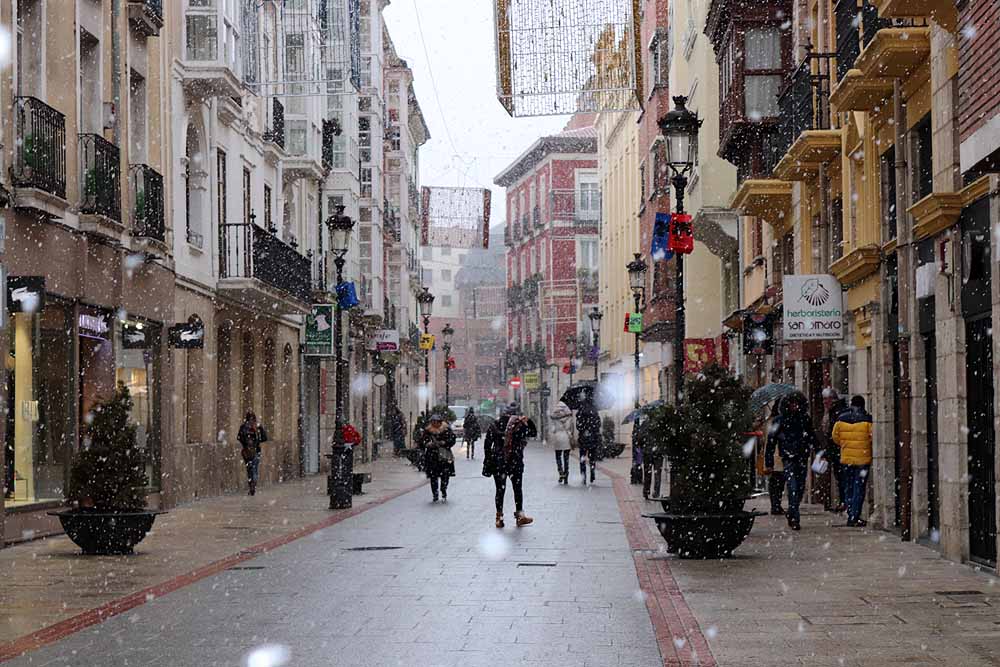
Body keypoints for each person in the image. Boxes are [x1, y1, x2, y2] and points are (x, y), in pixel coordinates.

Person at [765, 393, 817, 530]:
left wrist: (819, 452)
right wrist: (769, 463)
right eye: (792, 404)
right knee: (793, 487)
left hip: (802, 456)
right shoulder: (779, 421)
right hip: (788, 458)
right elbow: (770, 443)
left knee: (799, 488)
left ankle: (792, 510)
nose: (794, 406)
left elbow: (812, 436)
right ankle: (794, 518)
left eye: (796, 404)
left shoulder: (804, 419)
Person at [484, 403, 537, 527]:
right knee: (517, 489)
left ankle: (499, 517)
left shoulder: (494, 425)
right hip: (515, 461)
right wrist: (528, 421)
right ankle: (519, 516)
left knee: (500, 490)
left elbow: (487, 445)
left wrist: (489, 459)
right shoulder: (519, 425)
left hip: (498, 462)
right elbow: (533, 433)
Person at [832, 395, 874, 527]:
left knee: (848, 487)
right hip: (863, 459)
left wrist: (844, 445)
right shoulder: (867, 419)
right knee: (859, 488)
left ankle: (850, 512)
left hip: (847, 459)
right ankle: (854, 516)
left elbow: (835, 437)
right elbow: (872, 437)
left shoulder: (841, 419)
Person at [415, 410, 457, 502]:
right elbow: (421, 442)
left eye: (436, 422)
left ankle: (443, 489)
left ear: (440, 422)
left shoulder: (446, 430)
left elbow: (452, 439)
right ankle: (435, 493)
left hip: (444, 456)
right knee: (433, 476)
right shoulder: (428, 431)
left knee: (445, 475)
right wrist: (427, 444)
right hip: (432, 456)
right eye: (433, 422)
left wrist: (444, 443)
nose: (434, 423)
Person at [820, 389, 849, 512]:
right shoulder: (833, 411)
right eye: (824, 399)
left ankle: (845, 502)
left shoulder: (838, 412)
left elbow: (834, 435)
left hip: (840, 451)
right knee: (840, 477)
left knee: (843, 478)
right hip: (837, 451)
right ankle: (844, 502)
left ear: (833, 399)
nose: (825, 402)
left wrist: (830, 449)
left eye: (827, 399)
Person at [237, 412, 267, 496]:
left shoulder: (243, 427)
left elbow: (239, 437)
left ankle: (251, 485)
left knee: (249, 469)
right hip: (256, 451)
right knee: (255, 469)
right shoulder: (257, 426)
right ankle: (253, 484)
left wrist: (246, 445)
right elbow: (265, 438)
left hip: (247, 452)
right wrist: (256, 442)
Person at [576, 400, 602, 485]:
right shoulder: (594, 411)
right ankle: (592, 472)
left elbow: (578, 426)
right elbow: (598, 424)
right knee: (592, 458)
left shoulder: (580, 412)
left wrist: (583, 429)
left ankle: (583, 476)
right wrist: (593, 430)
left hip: (583, 439)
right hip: (593, 438)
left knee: (582, 458)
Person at [548, 401, 575, 484]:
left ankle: (561, 472)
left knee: (558, 457)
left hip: (558, 438)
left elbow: (553, 429)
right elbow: (570, 428)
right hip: (566, 437)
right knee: (566, 458)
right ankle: (566, 475)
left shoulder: (554, 415)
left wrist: (553, 432)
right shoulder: (569, 416)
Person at [637, 416, 662, 500]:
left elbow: (639, 438)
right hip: (658, 452)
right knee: (657, 473)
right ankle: (656, 492)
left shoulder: (645, 423)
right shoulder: (660, 423)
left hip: (647, 452)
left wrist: (642, 446)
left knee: (647, 472)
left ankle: (646, 491)